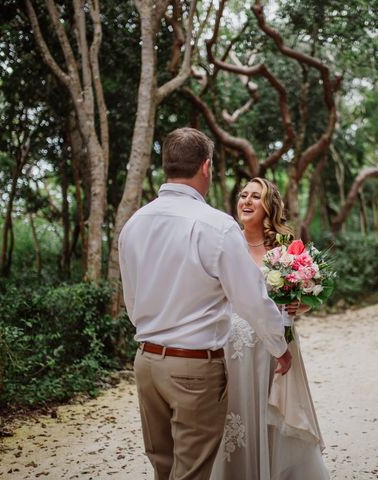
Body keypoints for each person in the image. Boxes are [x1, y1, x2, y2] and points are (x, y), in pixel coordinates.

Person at [118, 128, 292, 480]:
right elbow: (251, 300)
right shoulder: (216, 226)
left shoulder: (133, 225)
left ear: (165, 166)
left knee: (163, 468)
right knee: (192, 472)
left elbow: (132, 301)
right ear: (206, 167)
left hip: (146, 363)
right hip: (193, 369)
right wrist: (280, 347)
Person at [211, 178, 329, 480]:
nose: (246, 201)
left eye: (256, 197)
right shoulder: (226, 242)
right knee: (238, 413)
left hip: (276, 343)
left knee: (275, 414)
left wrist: (298, 306)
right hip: (235, 346)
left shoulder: (285, 249)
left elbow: (305, 298)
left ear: (268, 206)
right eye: (243, 195)